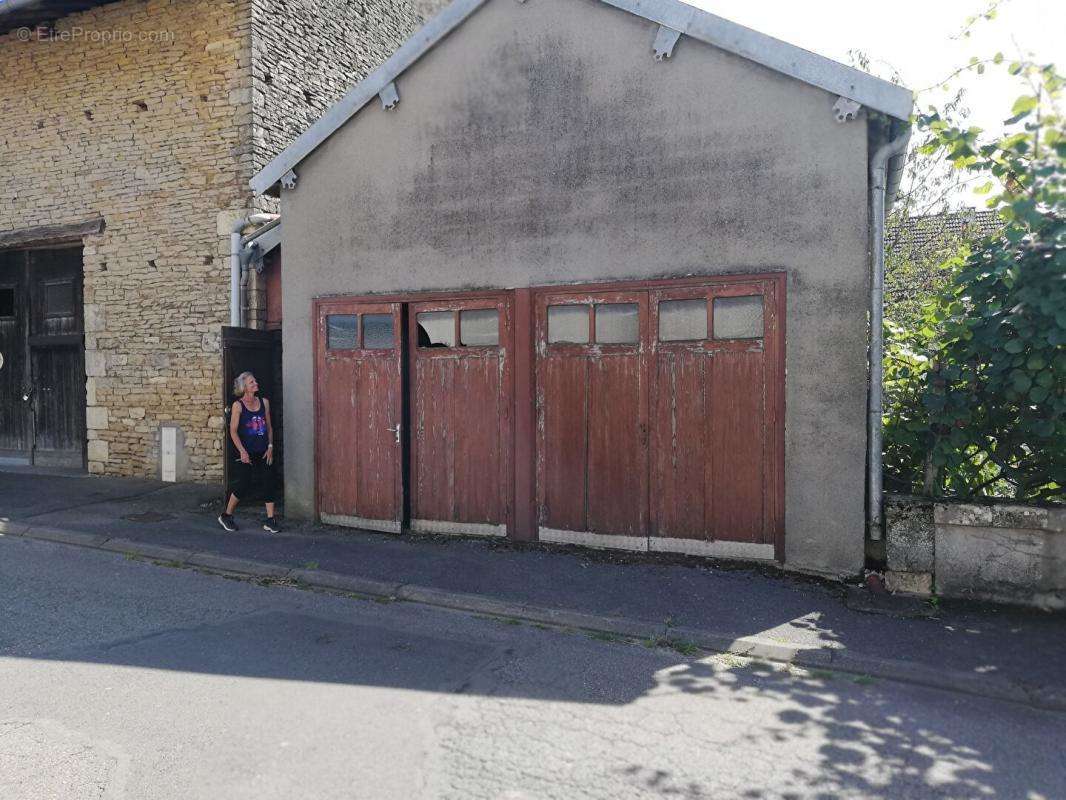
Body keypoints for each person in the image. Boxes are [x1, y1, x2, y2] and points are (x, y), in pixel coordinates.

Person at [218, 371, 279, 533]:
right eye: (252, 382)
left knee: (268, 482)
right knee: (243, 484)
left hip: (264, 450)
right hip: (247, 451)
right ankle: (226, 515)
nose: (256, 384)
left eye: (255, 381)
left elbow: (269, 427)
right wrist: (242, 452)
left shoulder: (264, 402)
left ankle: (270, 520)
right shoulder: (238, 405)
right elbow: (233, 431)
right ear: (244, 387)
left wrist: (270, 446)